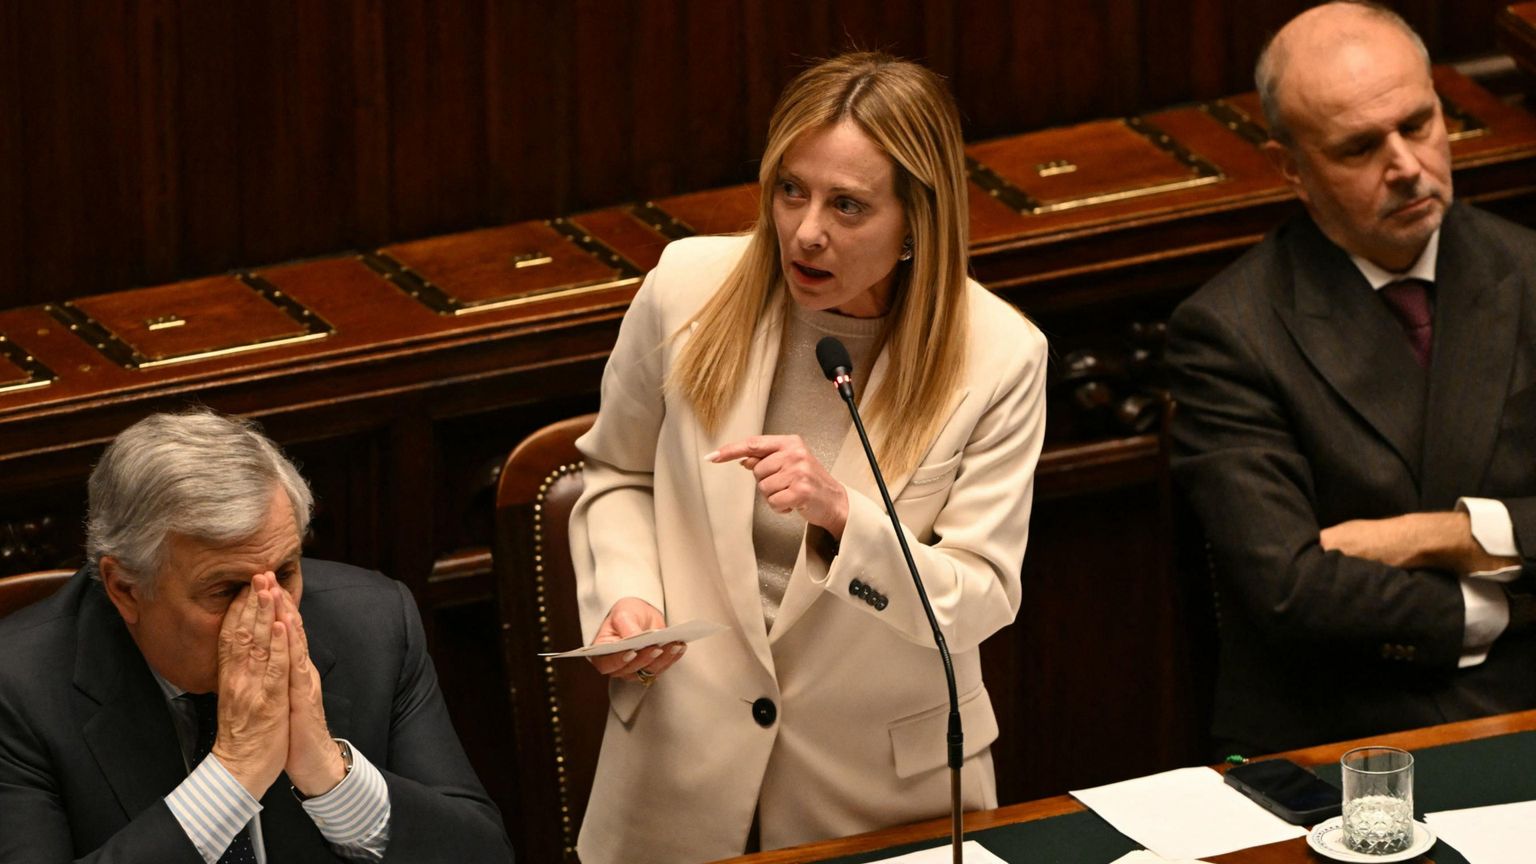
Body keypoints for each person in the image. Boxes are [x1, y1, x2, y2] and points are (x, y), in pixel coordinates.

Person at [569, 52, 1047, 863]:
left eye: (848, 205)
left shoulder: (999, 356)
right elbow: (619, 473)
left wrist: (844, 518)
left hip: (882, 797)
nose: (806, 230)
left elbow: (981, 596)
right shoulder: (687, 287)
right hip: (680, 779)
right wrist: (629, 594)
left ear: (916, 220)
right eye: (791, 190)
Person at [1168, 0, 1536, 756]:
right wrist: (1508, 606)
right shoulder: (1230, 330)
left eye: (1418, 124)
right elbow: (1290, 587)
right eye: (1360, 147)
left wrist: (1438, 536)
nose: (1406, 166)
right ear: (1293, 169)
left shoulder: (1529, 272)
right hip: (1342, 729)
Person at [0, 409, 514, 863]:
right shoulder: (18, 689)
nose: (269, 614)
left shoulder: (373, 624)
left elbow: (484, 854)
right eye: (226, 590)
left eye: (285, 573)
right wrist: (231, 776)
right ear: (126, 590)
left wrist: (331, 776)